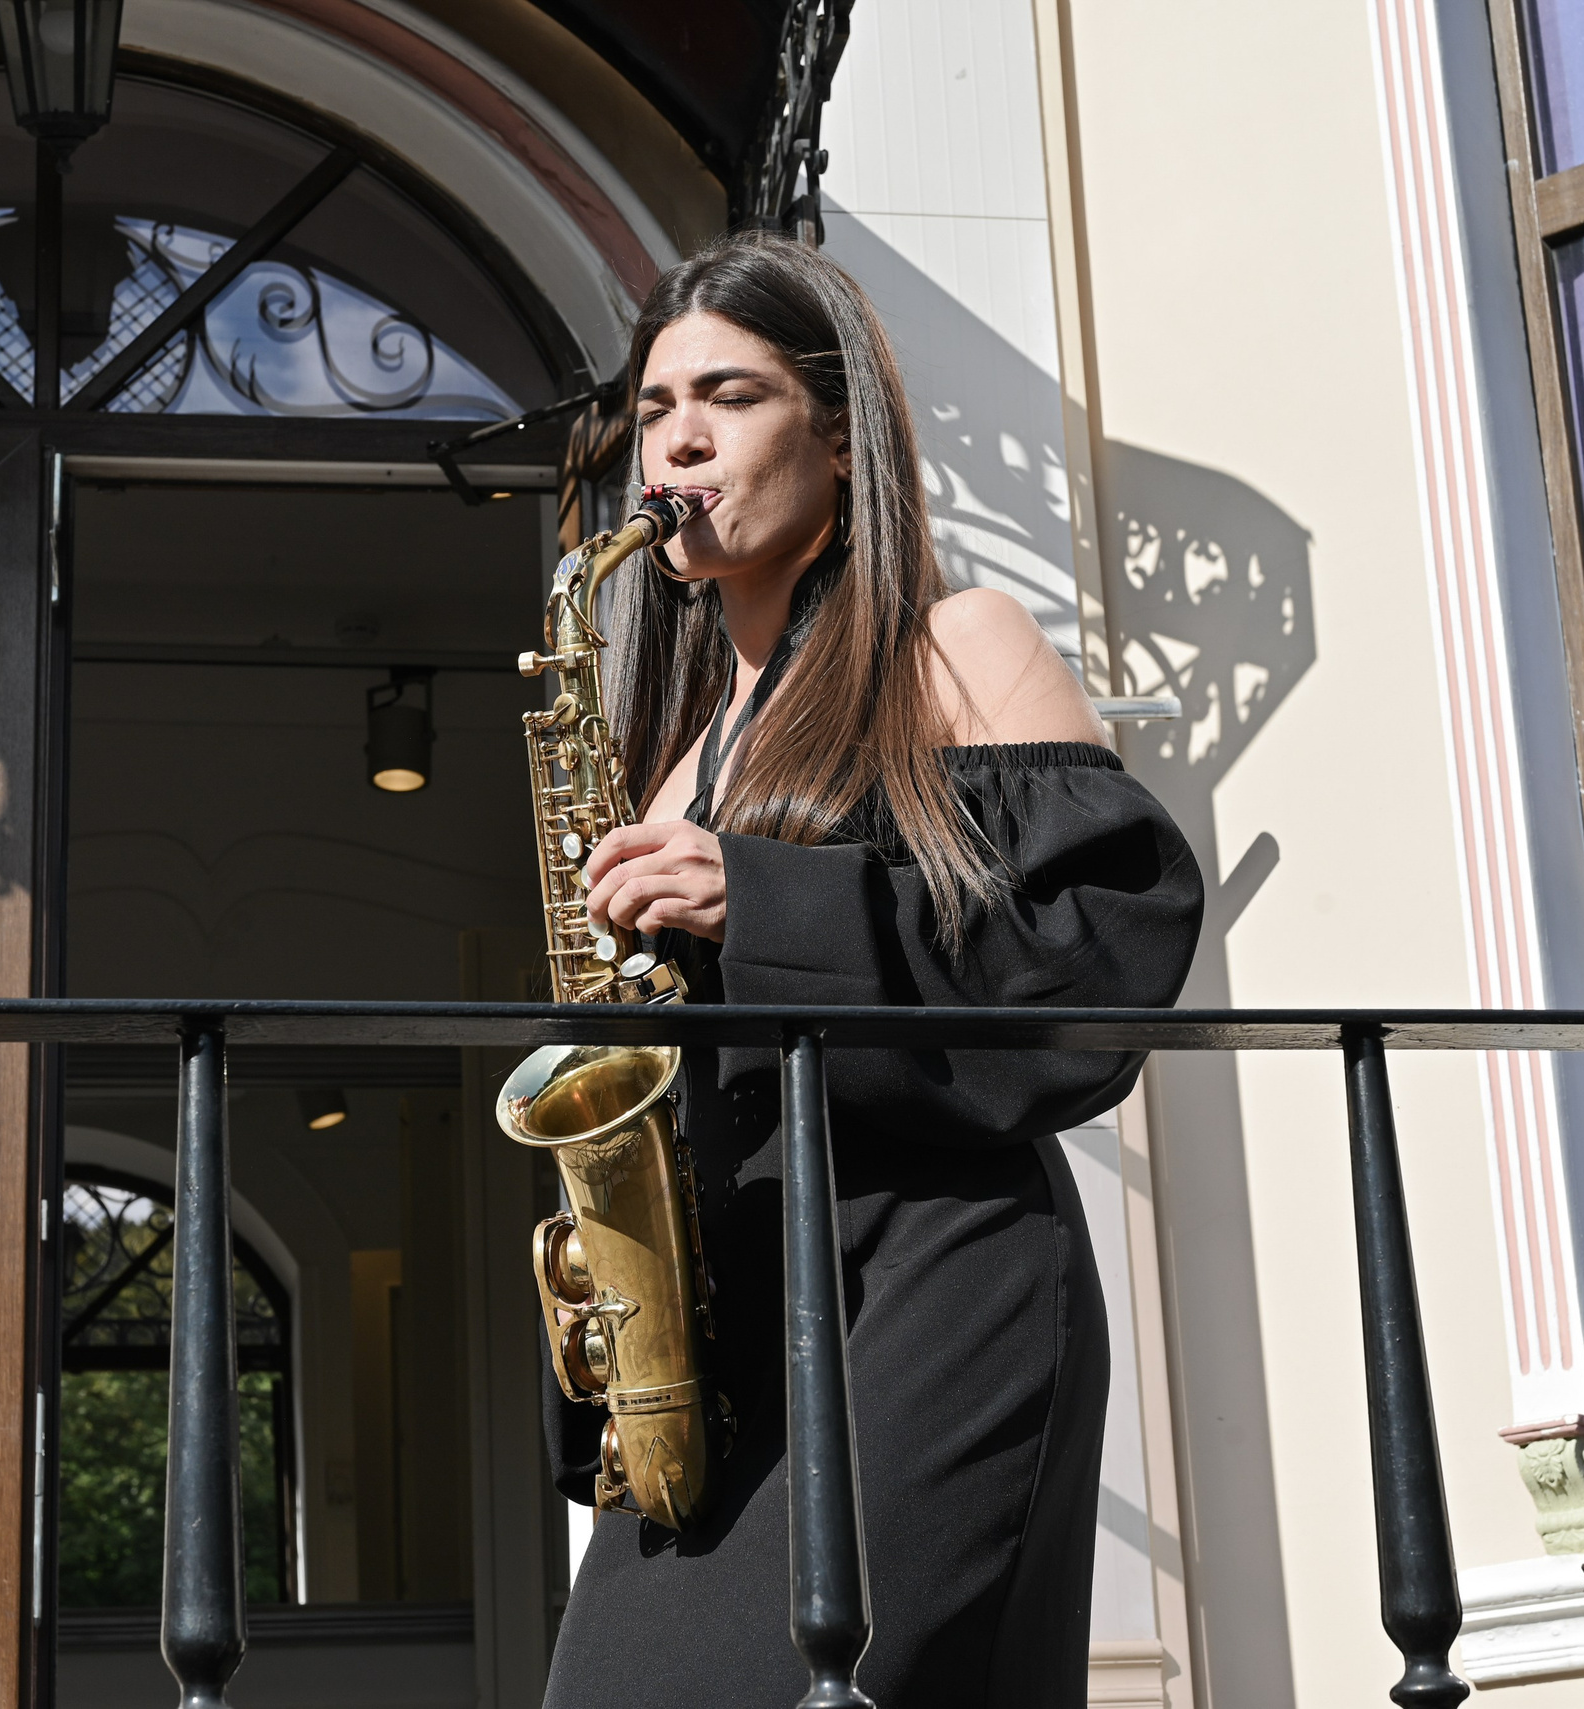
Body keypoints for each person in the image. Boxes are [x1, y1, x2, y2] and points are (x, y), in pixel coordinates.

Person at [543, 231, 1205, 1709]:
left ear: (840, 441)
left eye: (730, 395)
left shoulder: (956, 648)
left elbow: (1095, 966)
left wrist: (755, 893)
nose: (680, 442)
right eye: (655, 411)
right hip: (724, 1362)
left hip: (928, 1293)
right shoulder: (665, 752)